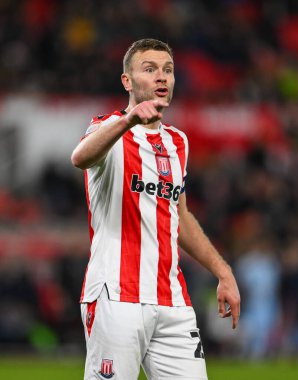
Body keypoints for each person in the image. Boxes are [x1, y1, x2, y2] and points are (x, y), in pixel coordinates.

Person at [71, 38, 240, 380]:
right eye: (149, 70)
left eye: (168, 70)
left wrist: (223, 272)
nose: (161, 77)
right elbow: (80, 157)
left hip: (172, 299)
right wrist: (128, 120)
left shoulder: (178, 142)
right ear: (127, 81)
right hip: (115, 296)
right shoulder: (109, 129)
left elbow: (179, 218)